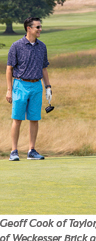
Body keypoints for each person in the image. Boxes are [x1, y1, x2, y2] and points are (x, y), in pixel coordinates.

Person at [6, 17, 52, 161]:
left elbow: (44, 67)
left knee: (34, 119)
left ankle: (31, 150)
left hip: (37, 85)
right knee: (17, 119)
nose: (40, 29)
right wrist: (9, 89)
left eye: (40, 27)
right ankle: (14, 151)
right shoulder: (16, 46)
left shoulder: (42, 46)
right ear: (29, 28)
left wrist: (48, 86)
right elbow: (9, 69)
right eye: (37, 27)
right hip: (20, 85)